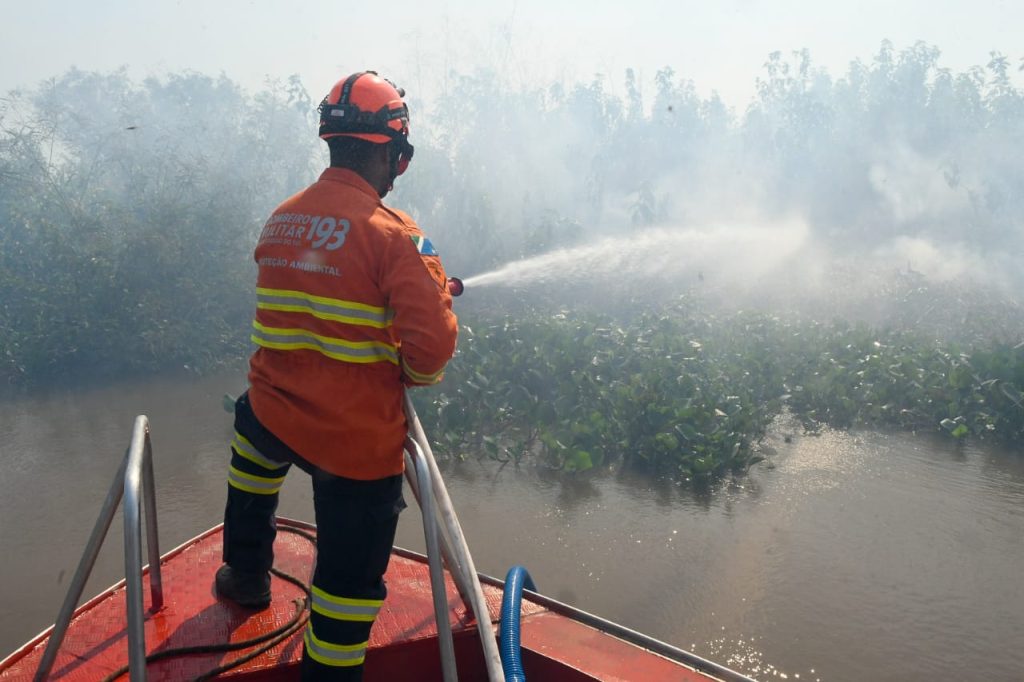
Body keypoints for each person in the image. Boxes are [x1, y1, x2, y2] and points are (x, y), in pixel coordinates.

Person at [214, 71, 459, 681]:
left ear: (332, 141)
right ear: (394, 154)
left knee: (251, 446)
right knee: (347, 591)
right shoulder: (396, 238)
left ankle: (245, 575)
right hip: (353, 447)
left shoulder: (281, 220)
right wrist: (430, 309)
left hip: (272, 414)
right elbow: (428, 356)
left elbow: (317, 300)